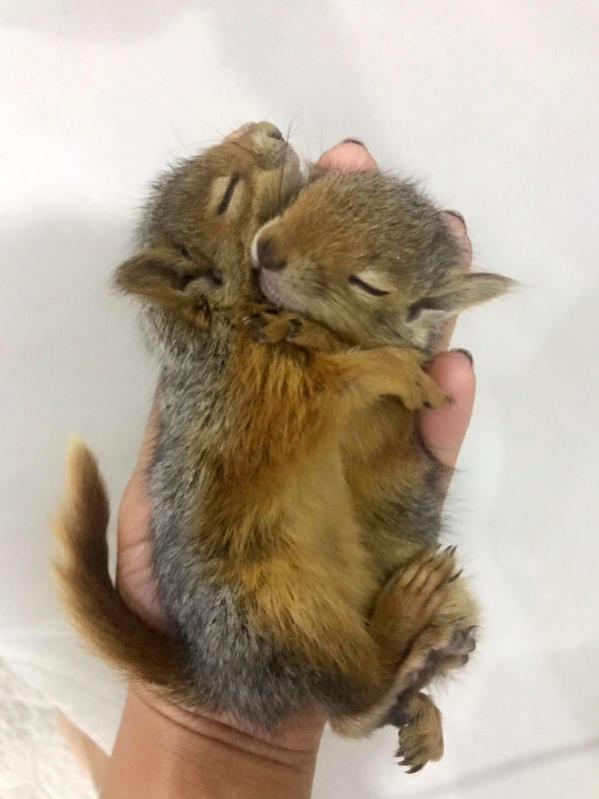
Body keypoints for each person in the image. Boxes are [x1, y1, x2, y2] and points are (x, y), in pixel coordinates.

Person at [92, 140, 476, 798]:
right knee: (309, 610)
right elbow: (280, 418)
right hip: (263, 555)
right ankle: (367, 688)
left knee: (442, 604)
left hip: (335, 523)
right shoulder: (242, 348)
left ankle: (385, 687)